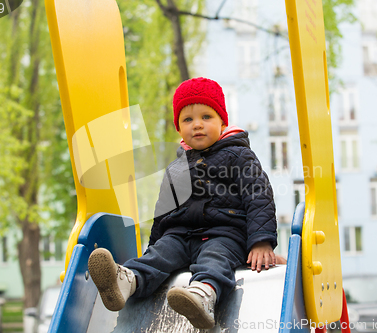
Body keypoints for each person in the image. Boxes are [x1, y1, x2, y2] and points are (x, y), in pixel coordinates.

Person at [88, 77, 286, 329]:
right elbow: (163, 212)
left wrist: (261, 241)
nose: (198, 125)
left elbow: (258, 195)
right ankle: (127, 280)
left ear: (222, 121)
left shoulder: (238, 155)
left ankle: (203, 295)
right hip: (180, 236)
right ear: (179, 128)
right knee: (160, 255)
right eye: (188, 120)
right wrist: (153, 246)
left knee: (215, 258)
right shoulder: (177, 167)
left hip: (224, 235)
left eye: (206, 117)